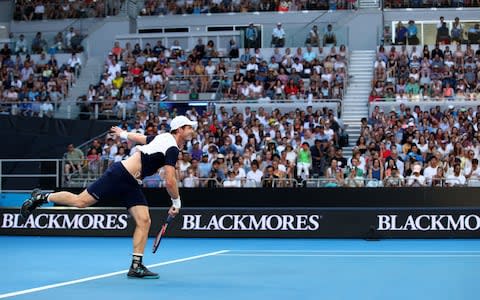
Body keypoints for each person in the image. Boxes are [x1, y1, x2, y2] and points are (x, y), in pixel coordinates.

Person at [20, 115, 197, 279]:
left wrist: (123, 133)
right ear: (180, 129)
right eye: (189, 127)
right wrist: (176, 201)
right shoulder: (171, 147)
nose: (192, 130)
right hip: (119, 175)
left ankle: (136, 266)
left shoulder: (164, 138)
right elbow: (170, 181)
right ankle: (42, 197)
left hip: (131, 183)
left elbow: (141, 139)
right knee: (80, 201)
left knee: (144, 220)